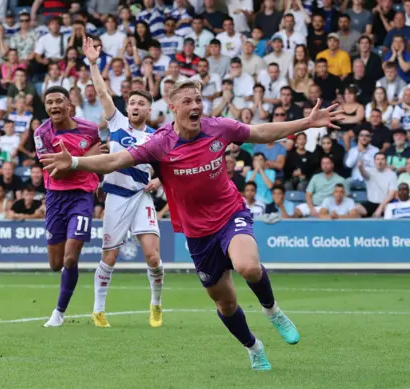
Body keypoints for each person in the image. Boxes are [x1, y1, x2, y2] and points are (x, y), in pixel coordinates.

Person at [41, 79, 343, 370]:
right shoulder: (161, 144)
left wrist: (306, 122)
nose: (195, 105)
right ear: (173, 107)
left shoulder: (218, 127)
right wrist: (77, 163)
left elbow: (261, 131)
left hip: (230, 214)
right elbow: (113, 161)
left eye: (198, 100)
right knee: (226, 304)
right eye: (187, 101)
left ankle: (273, 311)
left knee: (248, 266)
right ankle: (254, 348)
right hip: (198, 234)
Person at [84, 37, 164, 328]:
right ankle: (98, 309)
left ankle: (156, 305)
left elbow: (166, 168)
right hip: (116, 196)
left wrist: (157, 181)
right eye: (131, 102)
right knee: (110, 256)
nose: (134, 106)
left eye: (141, 103)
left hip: (141, 197)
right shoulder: (116, 122)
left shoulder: (156, 137)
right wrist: (93, 63)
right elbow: (103, 91)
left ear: (148, 110)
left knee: (153, 257)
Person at [34, 85, 103, 328]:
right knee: (56, 264)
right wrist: (86, 158)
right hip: (55, 198)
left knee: (71, 257)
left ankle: (59, 312)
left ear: (68, 104)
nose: (54, 106)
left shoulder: (90, 130)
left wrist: (88, 164)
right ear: (46, 107)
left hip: (81, 197)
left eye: (59, 101)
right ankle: (61, 300)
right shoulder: (42, 134)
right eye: (50, 102)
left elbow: (102, 158)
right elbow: (57, 173)